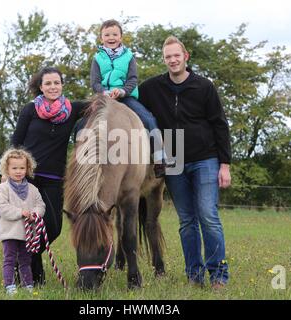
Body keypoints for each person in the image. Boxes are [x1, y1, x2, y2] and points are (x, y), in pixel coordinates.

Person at [139, 36, 232, 289]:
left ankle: (218, 277)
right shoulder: (152, 88)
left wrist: (225, 165)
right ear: (164, 59)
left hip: (206, 159)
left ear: (185, 56)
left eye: (176, 55)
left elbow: (220, 125)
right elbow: (132, 102)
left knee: (208, 216)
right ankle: (194, 275)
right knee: (187, 221)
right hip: (174, 161)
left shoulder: (204, 86)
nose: (172, 60)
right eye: (168, 57)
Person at [11, 66, 87, 286]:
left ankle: (26, 260)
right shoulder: (30, 110)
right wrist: (8, 174)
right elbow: (16, 142)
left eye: (56, 83)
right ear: (40, 87)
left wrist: (113, 93)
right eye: (48, 83)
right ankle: (33, 275)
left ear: (62, 85)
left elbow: (97, 104)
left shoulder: (72, 110)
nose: (53, 87)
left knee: (53, 227)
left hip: (54, 178)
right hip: (28, 178)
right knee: (30, 225)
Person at [89, 19, 173, 177]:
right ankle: (83, 161)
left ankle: (160, 159)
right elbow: (95, 83)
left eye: (115, 34)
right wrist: (106, 93)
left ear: (121, 37)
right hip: (104, 97)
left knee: (148, 119)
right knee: (82, 124)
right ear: (102, 38)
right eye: (107, 35)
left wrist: (121, 92)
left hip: (125, 97)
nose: (111, 37)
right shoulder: (97, 58)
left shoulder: (128, 57)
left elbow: (132, 80)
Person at [0, 148, 46, 295]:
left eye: (22, 168)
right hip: (10, 233)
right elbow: (1, 206)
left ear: (27, 169)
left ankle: (27, 285)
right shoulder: (3, 189)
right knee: (9, 260)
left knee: (25, 260)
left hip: (27, 234)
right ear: (7, 169)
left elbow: (40, 205)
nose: (18, 171)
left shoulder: (33, 189)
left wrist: (34, 214)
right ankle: (9, 286)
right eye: (14, 168)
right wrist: (19, 212)